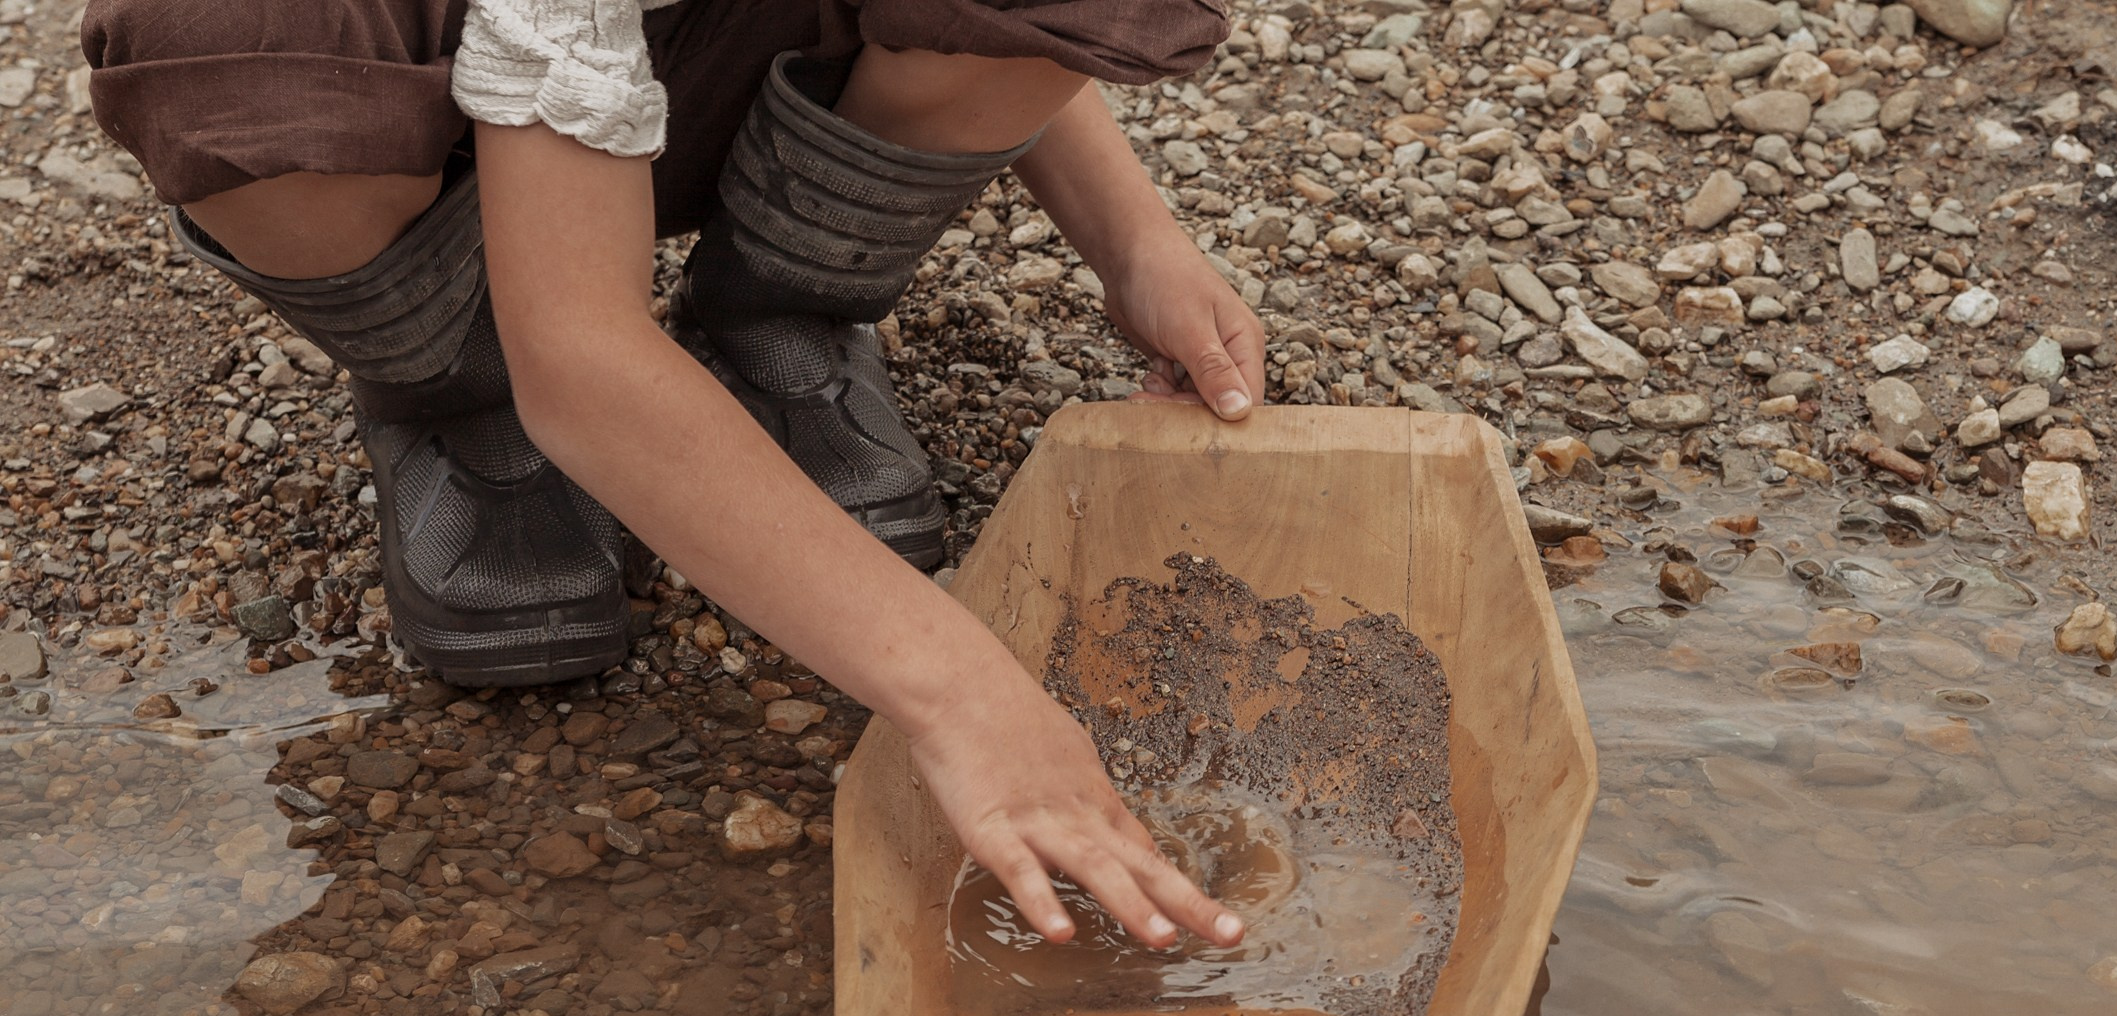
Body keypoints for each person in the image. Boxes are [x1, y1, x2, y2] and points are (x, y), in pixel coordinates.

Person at [80, 0, 1267, 951]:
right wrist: (966, 696)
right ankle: (455, 372)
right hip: (406, 103)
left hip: (710, 66)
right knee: (220, 39)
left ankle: (779, 309)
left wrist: (1135, 239)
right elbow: (585, 360)